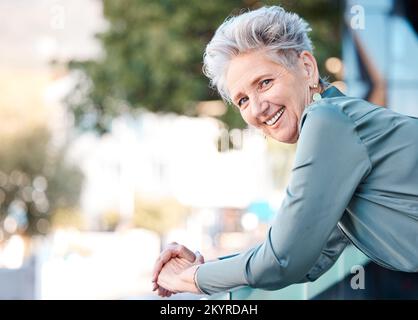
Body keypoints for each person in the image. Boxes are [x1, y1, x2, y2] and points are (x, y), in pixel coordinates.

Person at [152, 5, 418, 297]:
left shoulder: (329, 122)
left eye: (265, 83)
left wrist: (187, 279)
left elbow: (282, 260)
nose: (257, 108)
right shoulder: (341, 125)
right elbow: (308, 258)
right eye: (242, 100)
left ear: (306, 67)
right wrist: (204, 267)